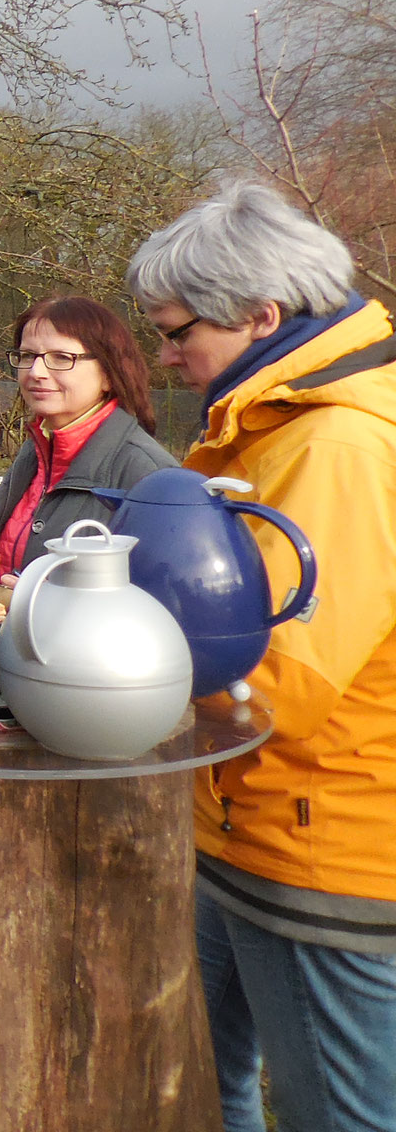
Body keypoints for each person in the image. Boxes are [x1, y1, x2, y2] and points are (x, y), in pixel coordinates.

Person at [125, 183, 396, 1132]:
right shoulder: (277, 424)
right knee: (202, 1083)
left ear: (261, 316)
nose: (165, 355)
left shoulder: (340, 448)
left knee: (338, 1116)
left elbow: (278, 675)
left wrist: (110, 676)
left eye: (175, 330)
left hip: (323, 849)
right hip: (249, 826)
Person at [0, 296, 178, 576]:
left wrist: (41, 595)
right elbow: (2, 570)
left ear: (109, 373)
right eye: (27, 356)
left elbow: (161, 601)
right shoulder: (35, 453)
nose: (36, 372)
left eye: (61, 358)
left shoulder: (150, 475)